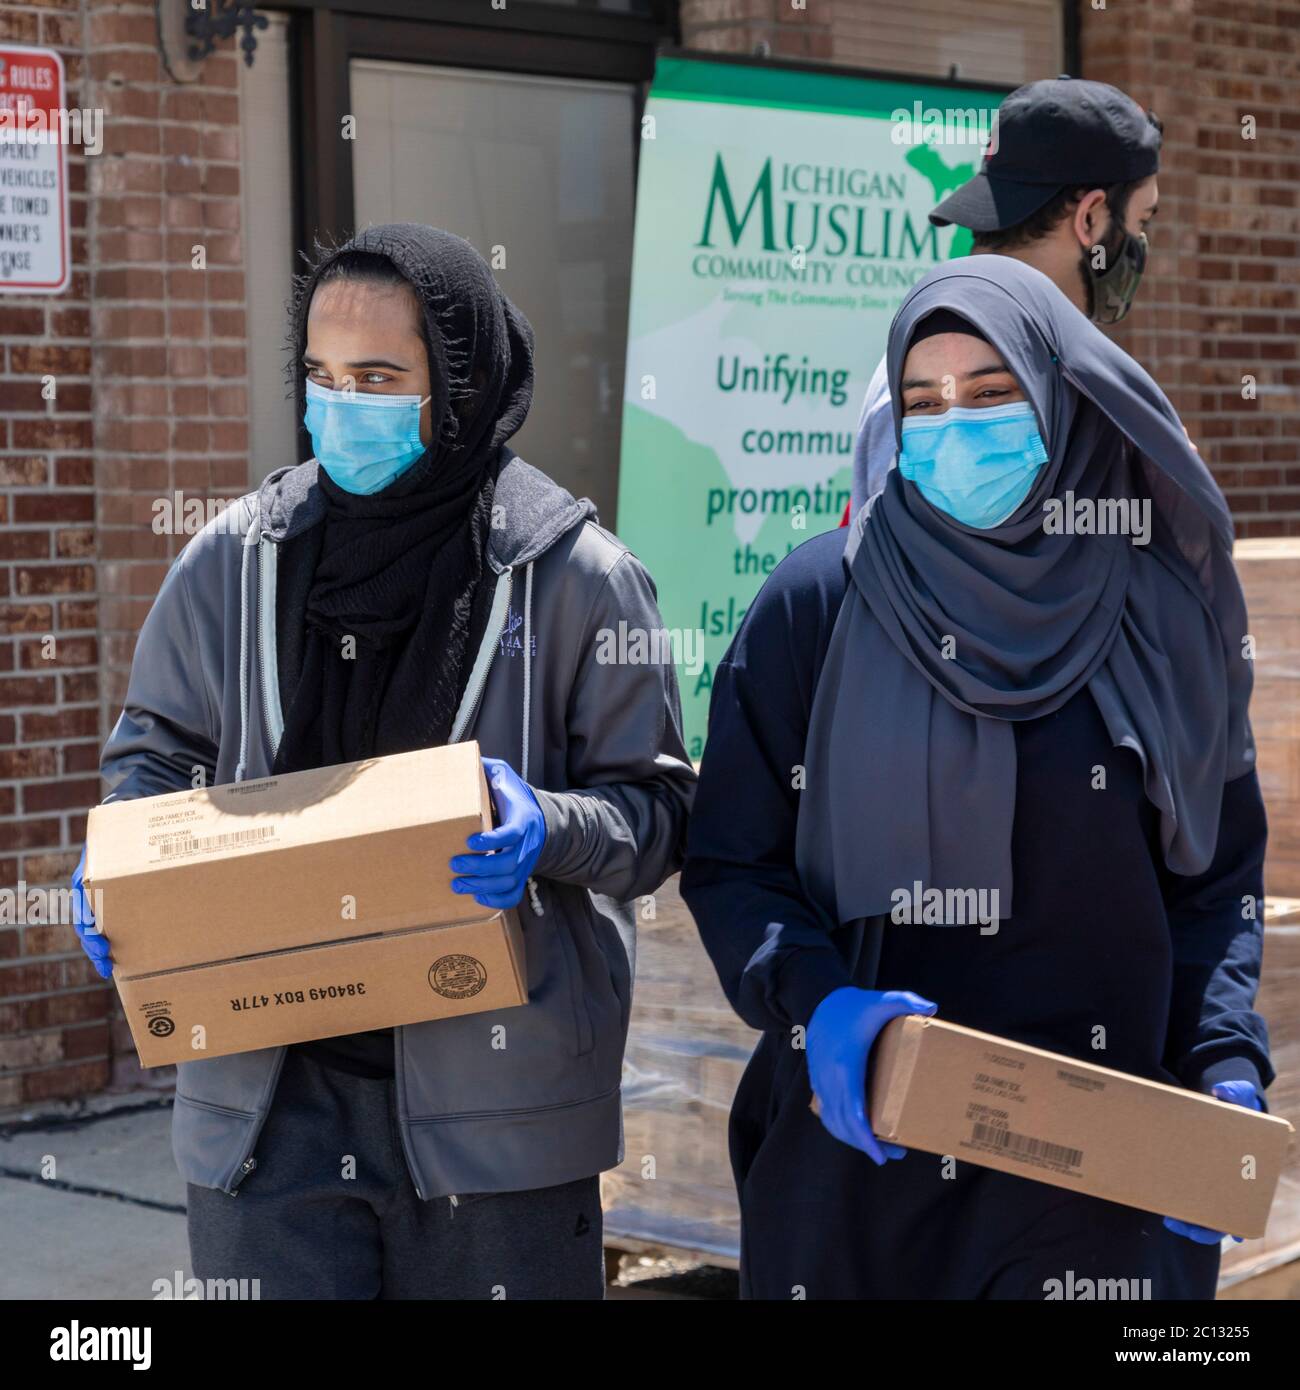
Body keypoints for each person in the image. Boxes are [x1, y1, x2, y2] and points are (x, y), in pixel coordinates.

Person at [71, 224, 695, 1300]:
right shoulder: (237, 557)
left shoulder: (577, 575)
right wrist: (124, 863)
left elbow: (659, 812)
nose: (340, 402)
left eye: (377, 377)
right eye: (319, 374)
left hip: (494, 1116)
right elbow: (154, 749)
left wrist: (548, 825)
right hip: (267, 1105)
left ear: (455, 388)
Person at [681, 254, 1271, 1300]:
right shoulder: (818, 602)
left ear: (1060, 395)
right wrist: (817, 1005)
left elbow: (1214, 881)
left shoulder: (1159, 616)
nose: (954, 425)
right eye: (922, 401)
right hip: (863, 1157)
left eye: (991, 393)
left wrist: (1222, 1063)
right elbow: (731, 860)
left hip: (1106, 1168)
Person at [848, 75, 1163, 518]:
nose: (1141, 241)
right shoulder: (954, 369)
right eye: (1141, 220)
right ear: (1091, 217)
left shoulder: (917, 364)